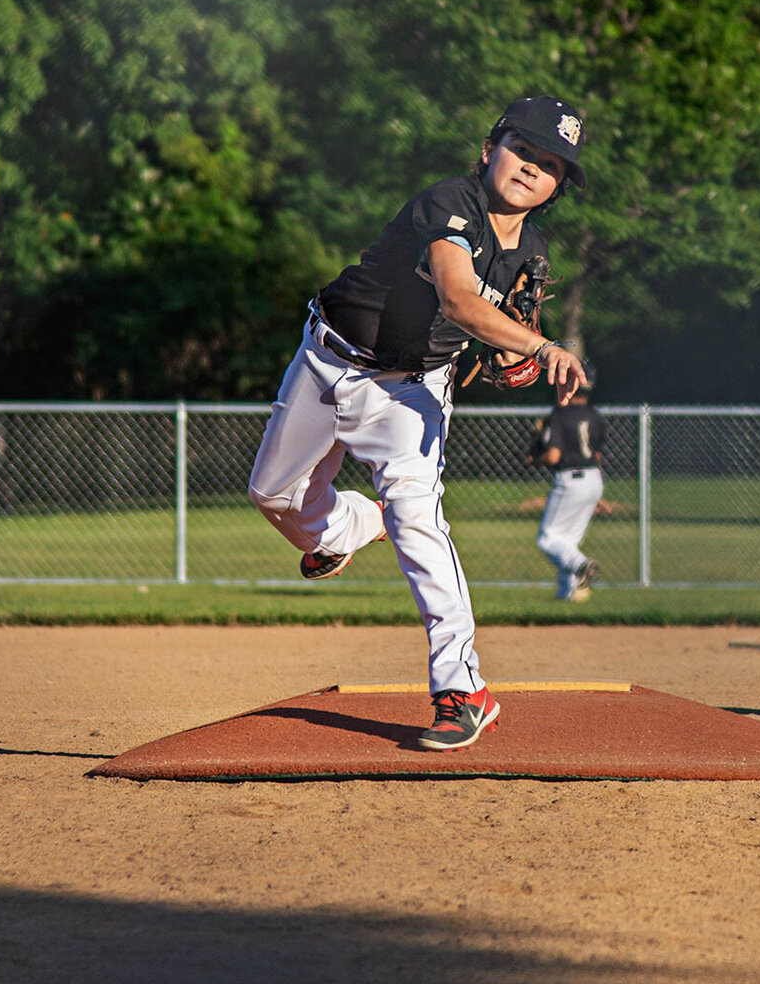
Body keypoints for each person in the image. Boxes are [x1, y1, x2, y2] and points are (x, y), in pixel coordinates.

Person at [248, 96, 590, 751]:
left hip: (410, 393)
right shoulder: (450, 202)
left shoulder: (531, 252)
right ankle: (353, 525)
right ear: (492, 149)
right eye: (524, 149)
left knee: (419, 523)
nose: (532, 168)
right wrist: (537, 347)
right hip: (327, 359)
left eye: (550, 166)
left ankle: (464, 692)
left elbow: (488, 337)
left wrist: (513, 348)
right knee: (273, 497)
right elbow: (459, 297)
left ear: (555, 189)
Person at [528, 380, 606, 601]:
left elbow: (553, 455)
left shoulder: (561, 414)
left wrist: (535, 461)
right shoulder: (595, 416)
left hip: (571, 479)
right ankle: (567, 595)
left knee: (548, 538)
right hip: (594, 479)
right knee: (567, 543)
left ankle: (581, 565)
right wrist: (597, 495)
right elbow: (597, 456)